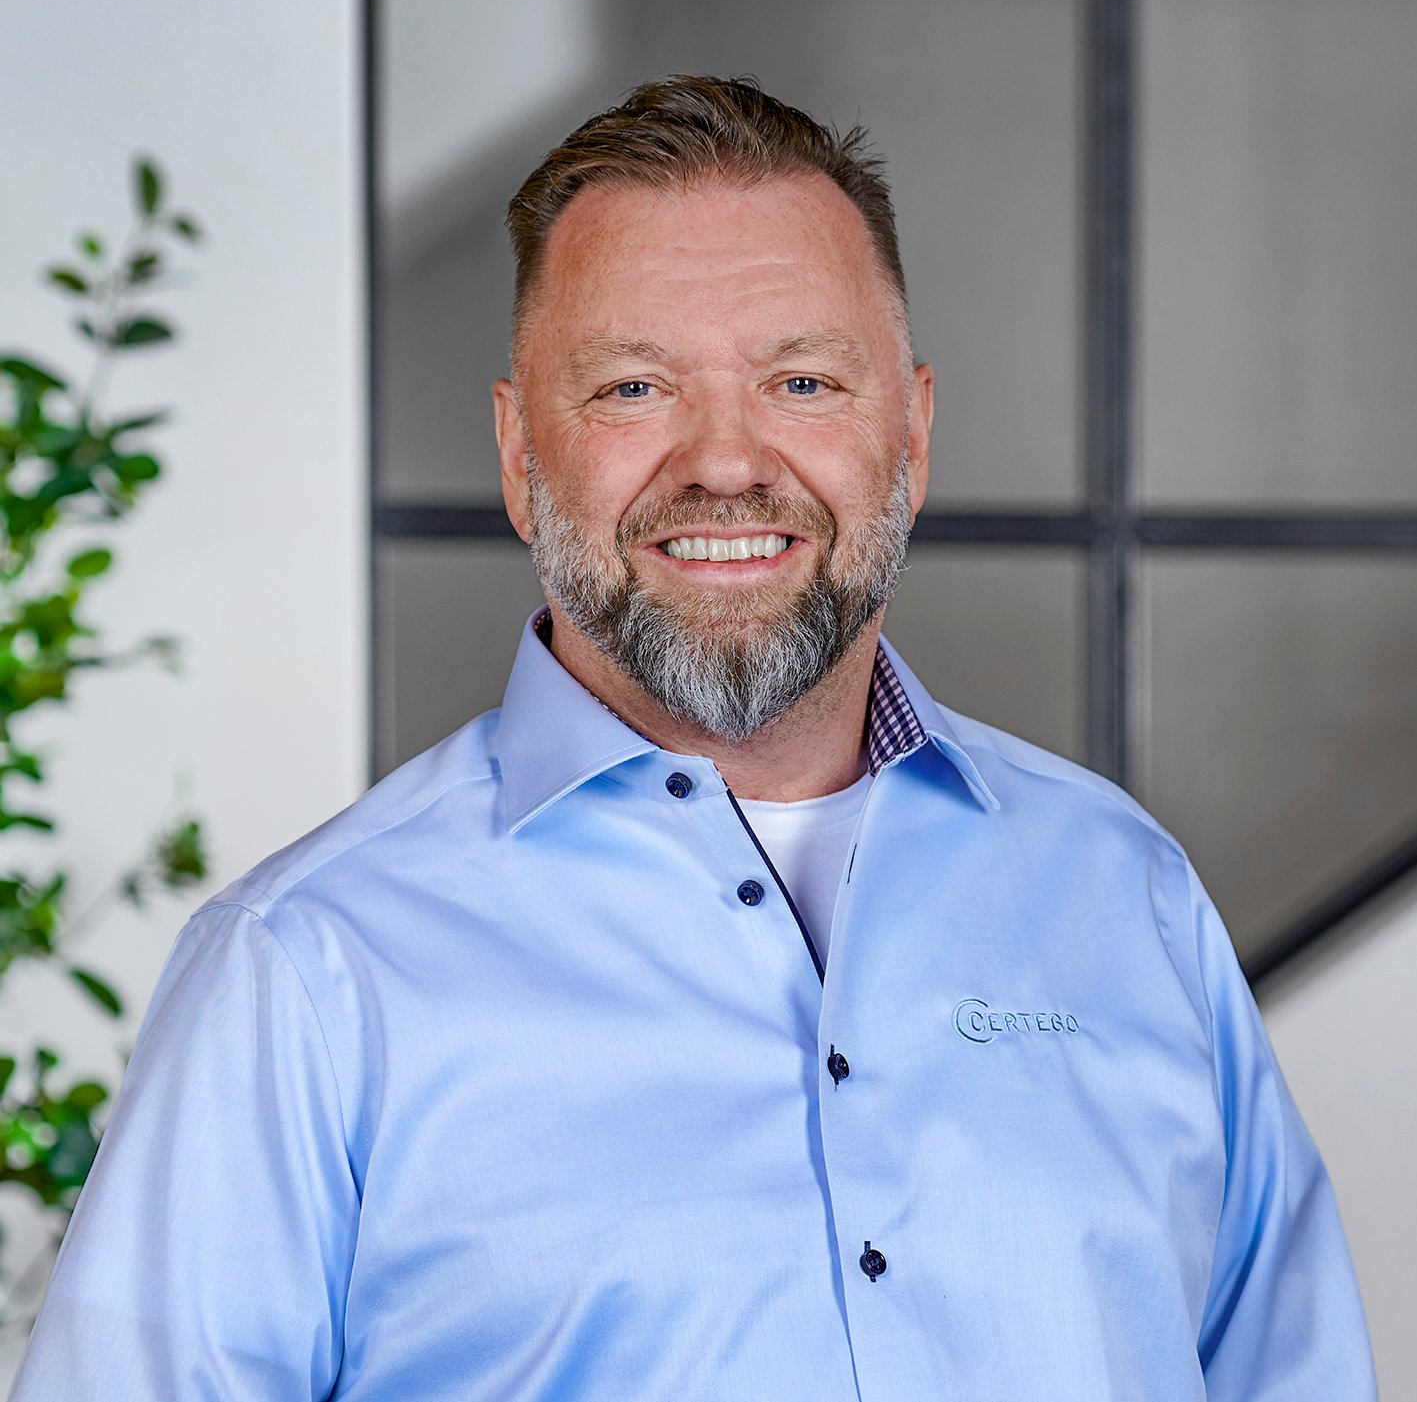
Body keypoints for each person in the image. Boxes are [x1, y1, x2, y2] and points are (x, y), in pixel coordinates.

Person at [13, 75, 1376, 1401]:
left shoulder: (1125, 894)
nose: (725, 461)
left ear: (910, 434)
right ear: (518, 453)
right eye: (632, 389)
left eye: (802, 381)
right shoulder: (305, 976)